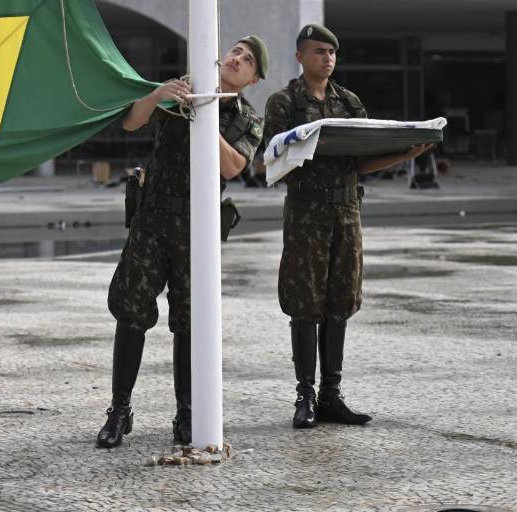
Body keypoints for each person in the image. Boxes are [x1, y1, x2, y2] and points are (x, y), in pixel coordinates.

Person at [97, 37, 268, 448]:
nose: (236, 60)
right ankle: (120, 411)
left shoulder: (247, 118)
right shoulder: (181, 89)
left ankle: (187, 413)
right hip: (153, 217)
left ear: (253, 78)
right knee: (132, 311)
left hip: (198, 226)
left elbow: (232, 166)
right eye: (235, 51)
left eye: (247, 61)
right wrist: (160, 94)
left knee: (189, 322)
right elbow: (132, 122)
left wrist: (202, 116)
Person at [263, 24, 431, 430]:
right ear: (301, 56)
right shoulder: (284, 102)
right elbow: (270, 159)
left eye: (333, 52)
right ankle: (304, 396)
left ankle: (331, 397)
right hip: (306, 216)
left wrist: (404, 154)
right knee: (305, 305)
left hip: (346, 215)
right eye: (320, 52)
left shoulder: (349, 102)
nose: (328, 58)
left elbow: (360, 162)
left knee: (340, 302)